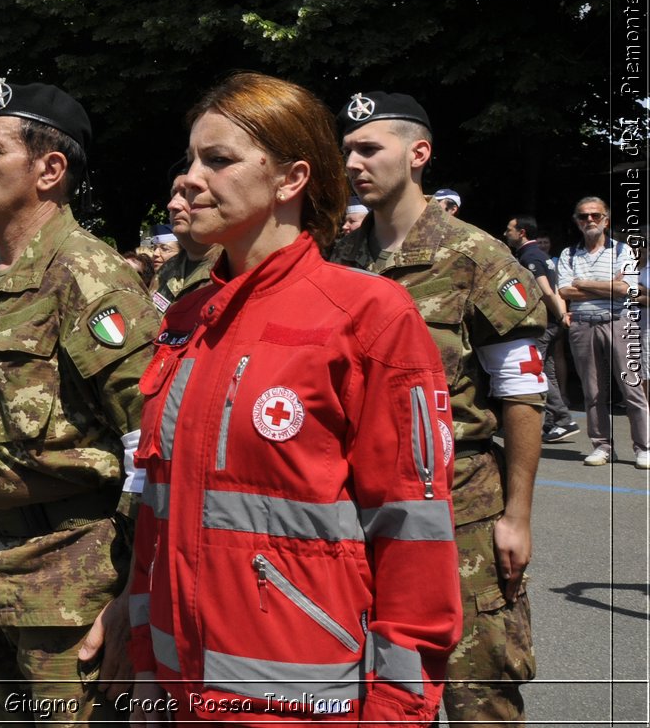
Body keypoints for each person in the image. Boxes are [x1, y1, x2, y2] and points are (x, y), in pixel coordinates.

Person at [126, 74, 460, 724]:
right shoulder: (186, 318)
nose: (190, 177)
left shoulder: (367, 315)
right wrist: (145, 661)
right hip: (177, 694)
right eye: (190, 158)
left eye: (217, 159)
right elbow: (155, 514)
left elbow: (412, 537)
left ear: (290, 179)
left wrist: (398, 710)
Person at [0, 81, 158, 721]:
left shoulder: (87, 276)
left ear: (49, 169)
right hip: (4, 578)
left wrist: (132, 596)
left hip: (78, 592)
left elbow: (151, 441)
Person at [333, 90, 547, 723]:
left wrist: (518, 515)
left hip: (463, 516)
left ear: (418, 153)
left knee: (478, 695)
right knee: (384, 694)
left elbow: (521, 388)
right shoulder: (339, 261)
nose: (353, 163)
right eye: (347, 150)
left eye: (369, 148)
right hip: (365, 520)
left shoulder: (474, 256)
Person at [556, 196, 649, 468]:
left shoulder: (623, 251)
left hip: (619, 321)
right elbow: (563, 290)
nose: (590, 221)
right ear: (576, 221)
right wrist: (608, 284)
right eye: (583, 216)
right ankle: (602, 446)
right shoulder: (568, 254)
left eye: (596, 215)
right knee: (592, 391)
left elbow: (625, 289)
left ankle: (643, 447)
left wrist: (583, 283)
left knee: (632, 388)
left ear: (606, 220)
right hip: (583, 324)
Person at [505, 214, 579, 443]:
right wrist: (561, 314)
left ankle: (563, 419)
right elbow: (555, 289)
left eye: (509, 229)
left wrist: (560, 314)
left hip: (542, 323)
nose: (506, 233)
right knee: (547, 371)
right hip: (551, 322)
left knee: (535, 370)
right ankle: (552, 423)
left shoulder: (529, 257)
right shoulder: (542, 255)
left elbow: (546, 291)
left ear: (522, 232)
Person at [151, 170, 221, 313]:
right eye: (173, 194)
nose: (172, 205)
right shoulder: (167, 269)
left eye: (186, 193)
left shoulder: (231, 267)